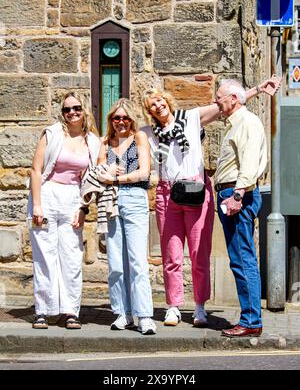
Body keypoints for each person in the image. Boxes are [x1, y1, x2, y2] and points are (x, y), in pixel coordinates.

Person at [141, 78, 276, 328]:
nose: (157, 106)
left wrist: (258, 89)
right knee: (171, 255)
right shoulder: (149, 133)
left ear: (167, 101)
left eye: (159, 101)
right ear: (149, 111)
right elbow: (124, 137)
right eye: (151, 105)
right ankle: (173, 306)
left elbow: (229, 101)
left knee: (198, 253)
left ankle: (201, 306)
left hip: (195, 190)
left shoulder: (190, 118)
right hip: (167, 194)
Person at [28, 91, 100, 330]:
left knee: (71, 257)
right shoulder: (52, 134)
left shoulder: (92, 141)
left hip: (73, 197)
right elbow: (36, 170)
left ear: (84, 109)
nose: (72, 113)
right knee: (45, 256)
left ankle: (70, 311)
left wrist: (83, 208)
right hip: (47, 194)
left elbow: (93, 180)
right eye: (67, 109)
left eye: (76, 108)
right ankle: (43, 311)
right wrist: (37, 204)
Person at [214, 79, 270, 338]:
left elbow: (248, 163)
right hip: (233, 193)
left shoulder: (246, 122)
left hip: (238, 195)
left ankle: (251, 321)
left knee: (243, 258)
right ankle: (250, 319)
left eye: (220, 97)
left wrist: (237, 194)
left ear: (233, 99)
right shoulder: (237, 123)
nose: (217, 102)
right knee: (240, 258)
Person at [97, 98, 156, 335]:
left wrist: (116, 178)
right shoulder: (104, 142)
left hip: (134, 198)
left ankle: (144, 316)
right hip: (111, 201)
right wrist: (108, 175)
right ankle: (122, 313)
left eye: (125, 118)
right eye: (116, 118)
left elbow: (144, 172)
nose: (121, 122)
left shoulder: (139, 137)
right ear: (111, 120)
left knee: (137, 261)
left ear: (132, 119)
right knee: (115, 263)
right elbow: (100, 172)